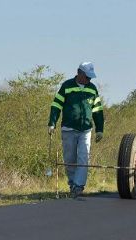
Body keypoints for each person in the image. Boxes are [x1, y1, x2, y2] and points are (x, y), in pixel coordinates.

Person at [48, 62, 104, 198]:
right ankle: (72, 183)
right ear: (79, 73)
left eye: (90, 77)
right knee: (70, 159)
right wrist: (52, 123)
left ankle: (79, 186)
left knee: (83, 158)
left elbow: (97, 110)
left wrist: (99, 129)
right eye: (87, 76)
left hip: (85, 129)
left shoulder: (92, 89)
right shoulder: (67, 86)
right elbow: (56, 105)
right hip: (68, 129)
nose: (89, 80)